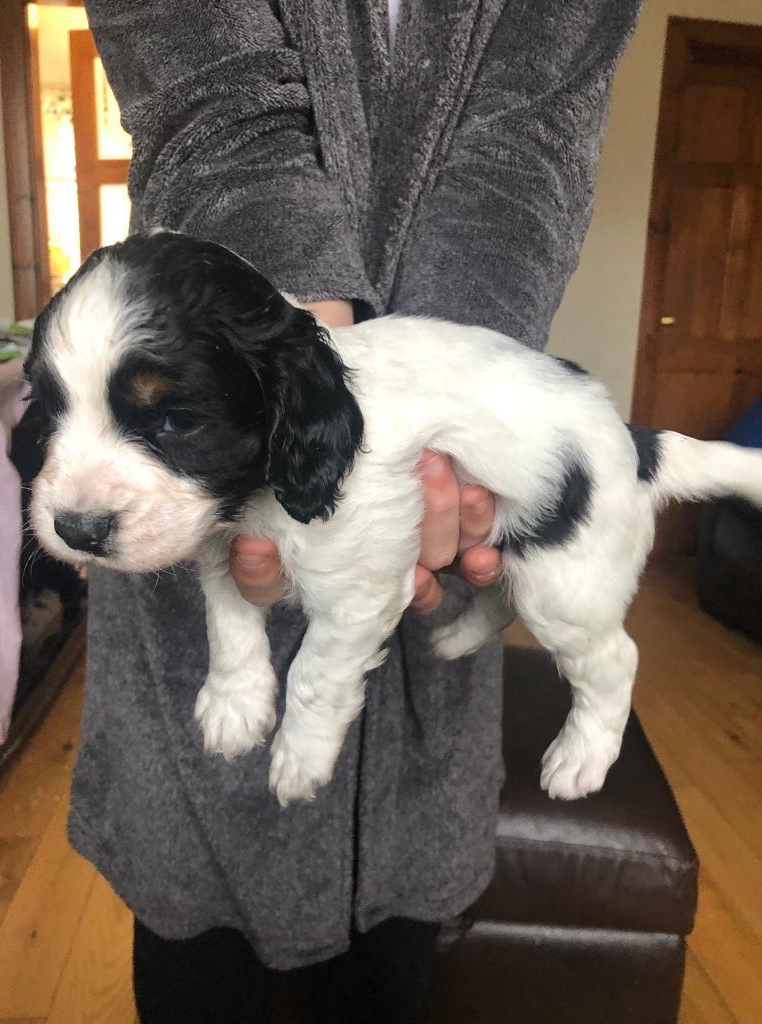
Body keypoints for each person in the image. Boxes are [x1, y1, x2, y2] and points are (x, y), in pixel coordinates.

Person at [78, 2, 641, 1021]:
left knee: (390, 966)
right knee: (196, 955)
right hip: (225, 519)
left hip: (424, 639)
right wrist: (292, 342)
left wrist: (438, 404)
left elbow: (529, 139)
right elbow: (212, 93)